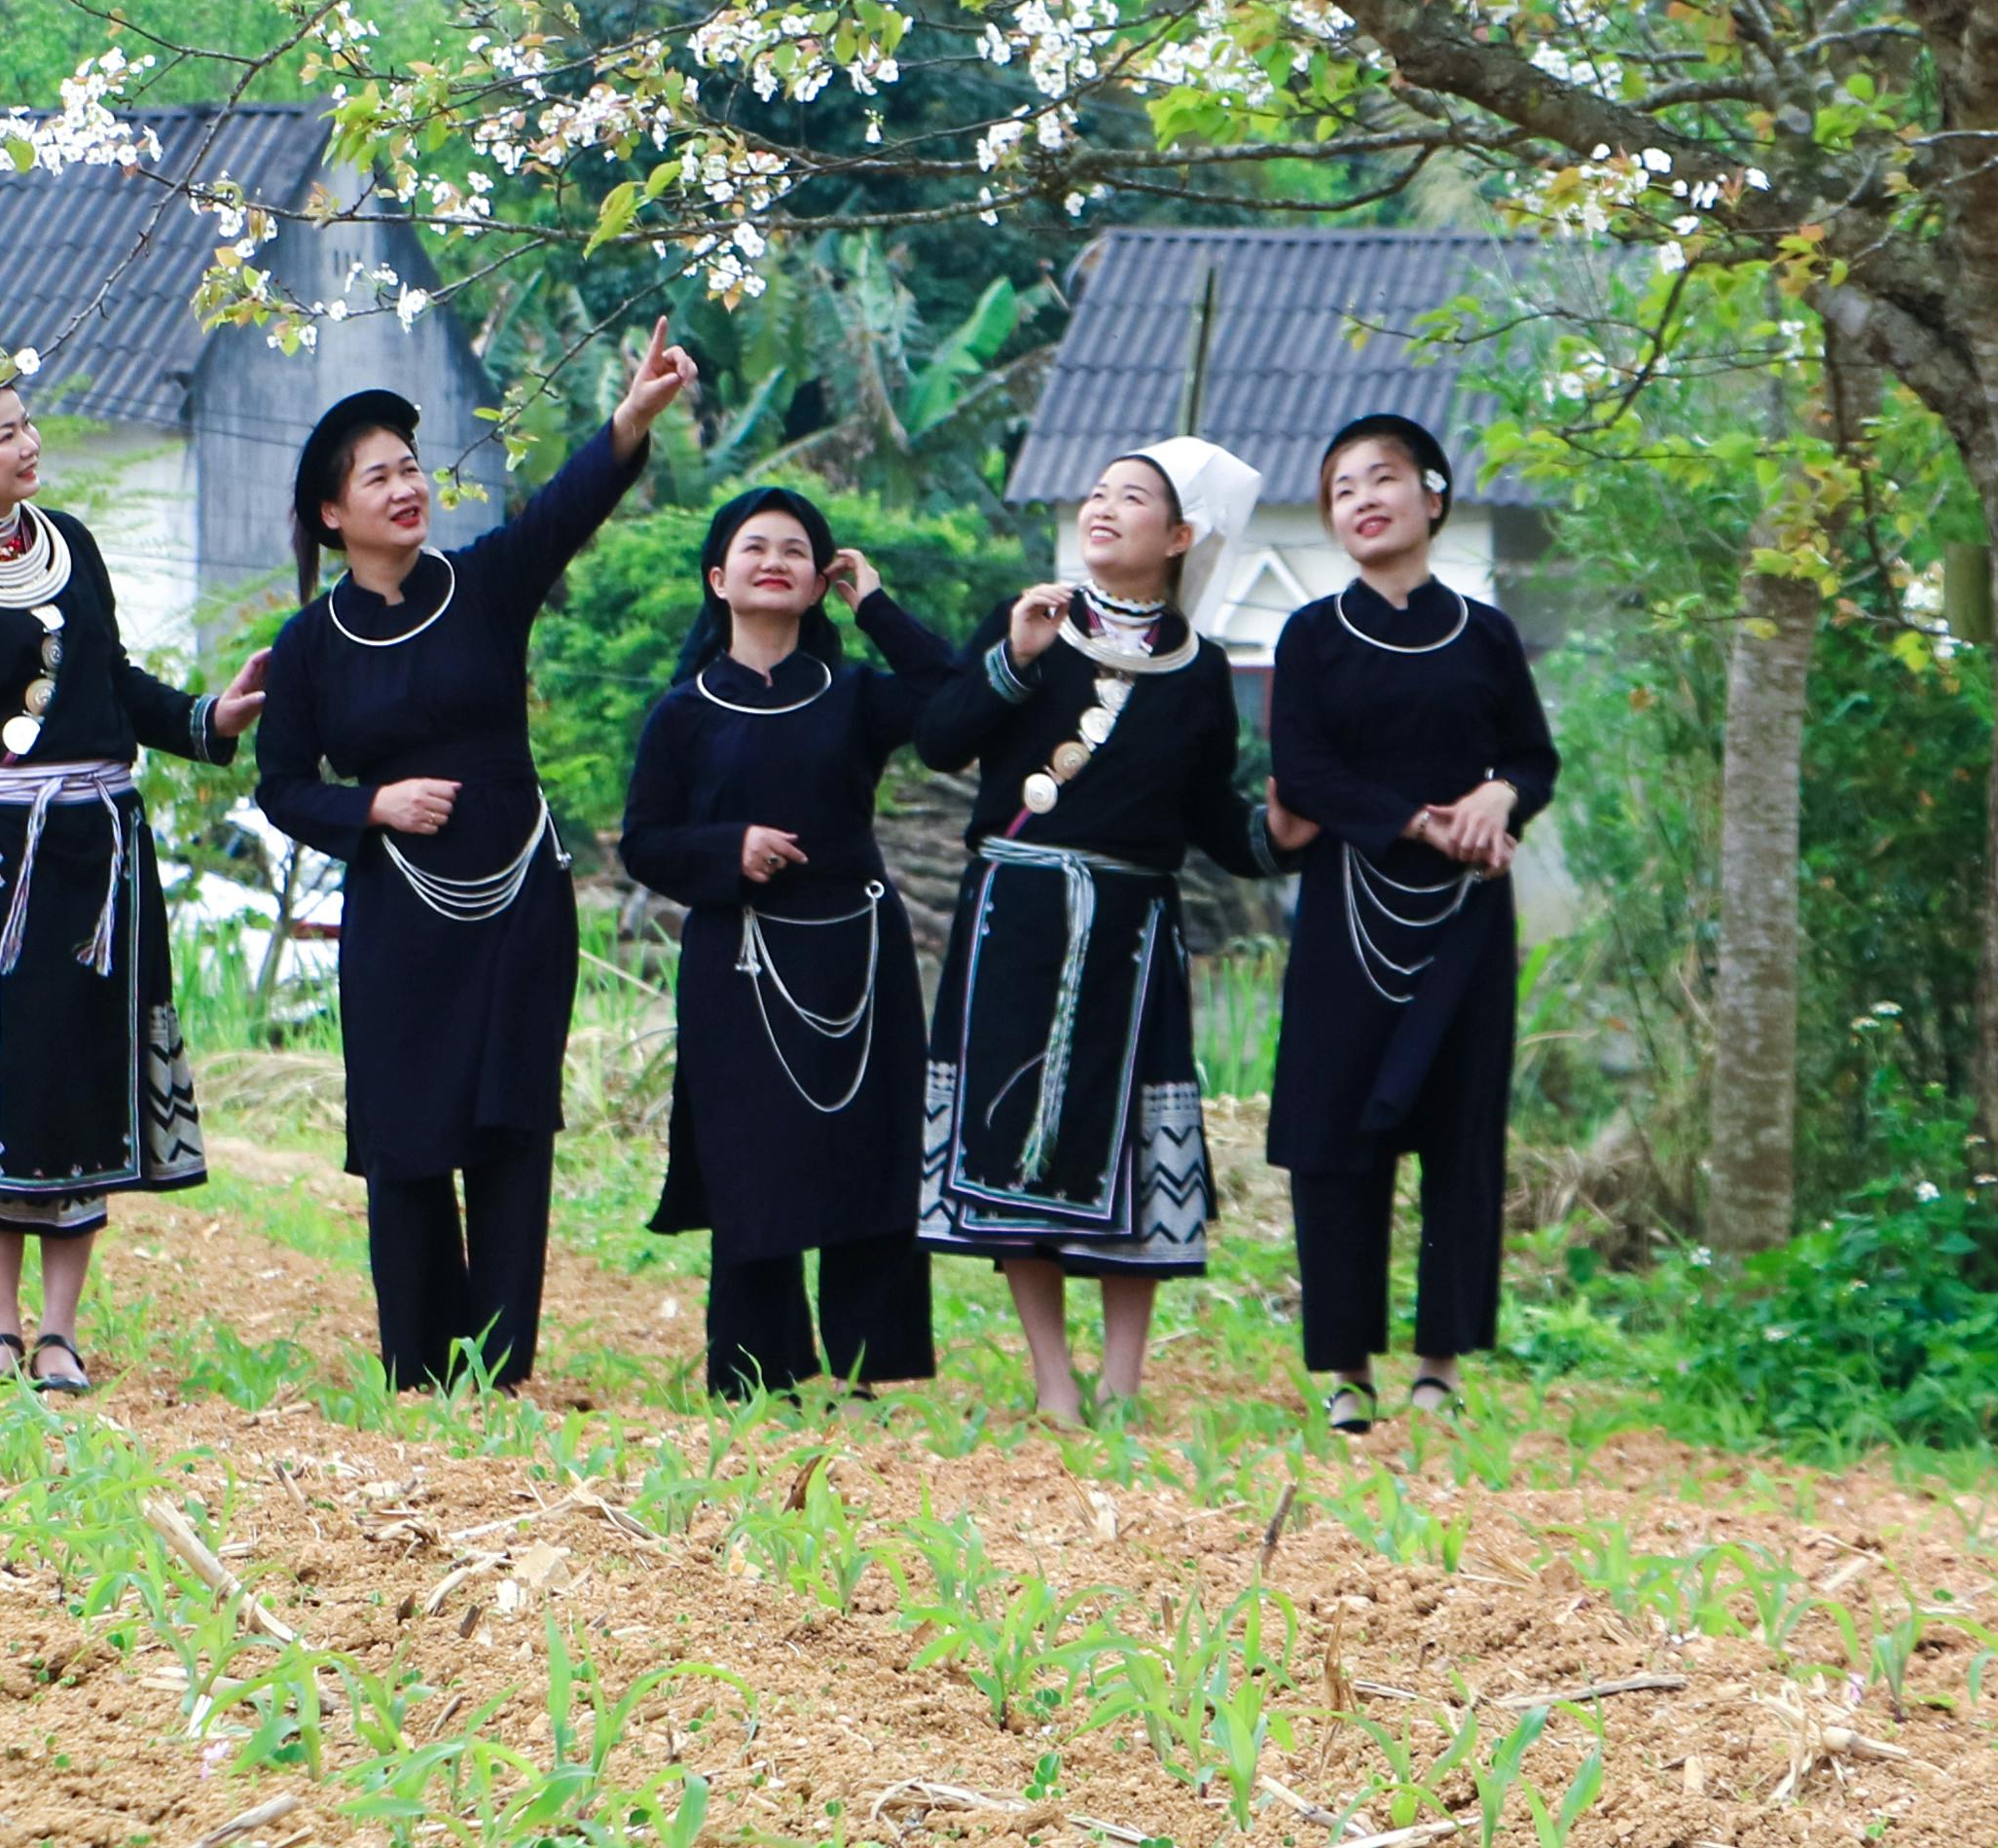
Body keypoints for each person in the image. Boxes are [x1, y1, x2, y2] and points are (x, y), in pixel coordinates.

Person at [250, 330, 700, 1389]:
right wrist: (373, 805)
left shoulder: (485, 584)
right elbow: (281, 787)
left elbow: (564, 508)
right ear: (333, 513)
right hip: (398, 915)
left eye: (412, 467)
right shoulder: (310, 641)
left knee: (510, 1127)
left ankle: (501, 1368)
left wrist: (630, 420)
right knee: (407, 1134)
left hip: (517, 901)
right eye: (379, 475)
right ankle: (418, 1366)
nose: (406, 486)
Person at [0, 346, 268, 1395]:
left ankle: (62, 1330)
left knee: (82, 1082)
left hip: (101, 859)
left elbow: (109, 680)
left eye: (29, 425)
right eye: (7, 433)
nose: (31, 445)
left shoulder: (70, 545)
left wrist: (205, 719)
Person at [918, 436, 1265, 1426]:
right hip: (1013, 917)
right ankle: (1053, 1381)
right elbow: (942, 740)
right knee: (1010, 1138)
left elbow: (1209, 816)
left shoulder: (1199, 671)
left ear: (1181, 535)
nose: (1103, 506)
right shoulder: (1030, 624)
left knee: (1131, 1141)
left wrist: (1279, 832)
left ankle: (1121, 1379)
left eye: (1134, 497)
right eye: (1098, 491)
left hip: (1131, 928)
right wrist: (1016, 660)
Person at [1261, 409, 1564, 1431]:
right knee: (1332, 1134)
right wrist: (1413, 823)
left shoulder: (1485, 633)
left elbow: (1533, 758)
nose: (1362, 499)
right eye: (1341, 487)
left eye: (1381, 478)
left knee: (1460, 1135)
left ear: (1432, 497)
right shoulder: (1308, 636)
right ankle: (1346, 1369)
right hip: (1351, 908)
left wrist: (1497, 801)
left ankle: (1440, 1367)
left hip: (1470, 919)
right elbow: (1302, 771)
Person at [617, 484, 955, 1397]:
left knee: (865, 1151)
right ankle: (758, 1370)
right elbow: (642, 841)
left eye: (797, 551)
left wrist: (873, 602)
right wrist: (731, 848)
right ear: (718, 578)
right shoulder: (681, 712)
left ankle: (862, 1366)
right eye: (755, 547)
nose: (776, 560)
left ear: (817, 583)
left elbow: (949, 700)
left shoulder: (855, 696)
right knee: (751, 1158)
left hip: (860, 953)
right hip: (739, 960)